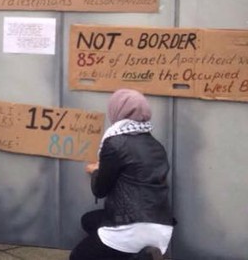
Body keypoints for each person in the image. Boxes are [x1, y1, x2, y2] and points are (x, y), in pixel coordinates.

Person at [69, 89, 175, 260]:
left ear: (117, 110)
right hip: (161, 227)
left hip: (129, 226)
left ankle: (133, 252)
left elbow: (100, 190)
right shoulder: (156, 145)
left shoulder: (114, 142)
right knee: (89, 220)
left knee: (78, 257)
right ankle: (142, 254)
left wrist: (96, 170)